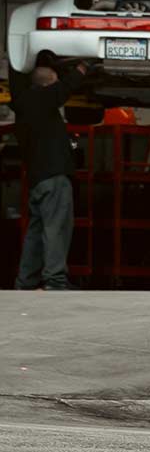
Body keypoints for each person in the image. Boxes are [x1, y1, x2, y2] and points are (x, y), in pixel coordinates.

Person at [11, 61, 86, 290]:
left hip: (38, 180)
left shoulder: (24, 105)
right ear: (46, 86)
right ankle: (55, 280)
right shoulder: (40, 101)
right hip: (53, 178)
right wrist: (81, 69)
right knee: (56, 228)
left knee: (36, 232)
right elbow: (63, 89)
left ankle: (25, 282)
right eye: (54, 82)